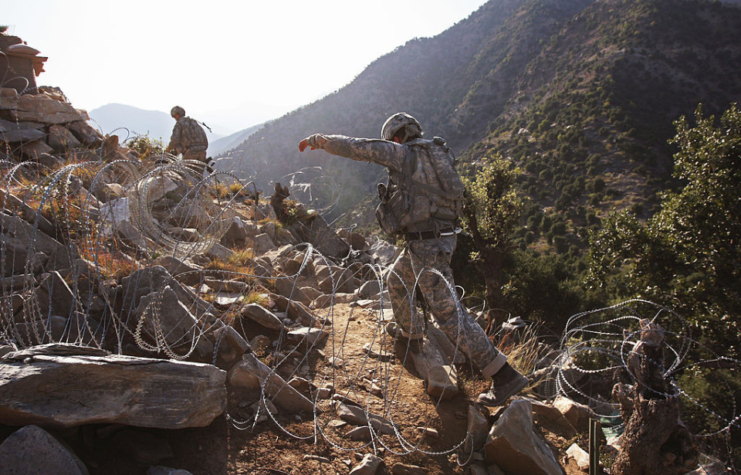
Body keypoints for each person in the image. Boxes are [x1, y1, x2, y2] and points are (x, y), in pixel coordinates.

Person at [298, 112, 528, 406]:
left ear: (396, 137)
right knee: (396, 278)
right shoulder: (438, 151)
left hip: (427, 244)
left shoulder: (402, 154)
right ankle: (411, 333)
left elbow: (357, 146)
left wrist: (320, 140)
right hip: (436, 238)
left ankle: (503, 375)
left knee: (448, 313)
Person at [166, 106, 209, 172]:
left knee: (186, 175)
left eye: (174, 117)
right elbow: (204, 138)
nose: (175, 119)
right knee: (199, 177)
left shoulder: (179, 124)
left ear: (177, 115)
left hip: (190, 153)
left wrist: (168, 150)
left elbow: (175, 140)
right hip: (202, 152)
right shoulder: (194, 122)